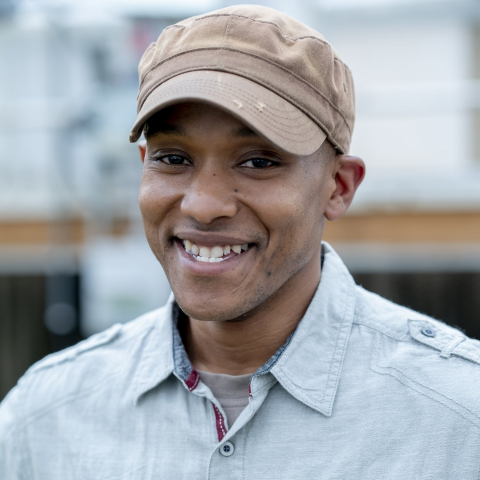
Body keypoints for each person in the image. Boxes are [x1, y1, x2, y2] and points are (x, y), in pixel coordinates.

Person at [1, 5, 479, 479]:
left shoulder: (456, 419)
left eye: (258, 162)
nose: (204, 205)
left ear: (338, 187)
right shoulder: (46, 417)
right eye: (173, 158)